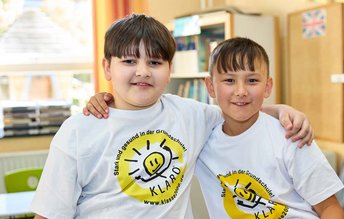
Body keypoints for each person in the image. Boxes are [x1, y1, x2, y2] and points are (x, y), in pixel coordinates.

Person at [32, 14, 312, 219]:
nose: (142, 71)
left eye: (154, 62)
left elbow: (237, 109)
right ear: (107, 68)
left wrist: (283, 110)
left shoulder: (189, 114)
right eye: (129, 61)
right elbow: (49, 213)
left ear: (169, 69)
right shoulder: (78, 130)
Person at [194, 37, 344, 218]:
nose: (241, 91)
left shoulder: (291, 136)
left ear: (267, 86)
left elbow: (330, 208)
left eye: (252, 81)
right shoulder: (200, 138)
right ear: (210, 86)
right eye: (229, 80)